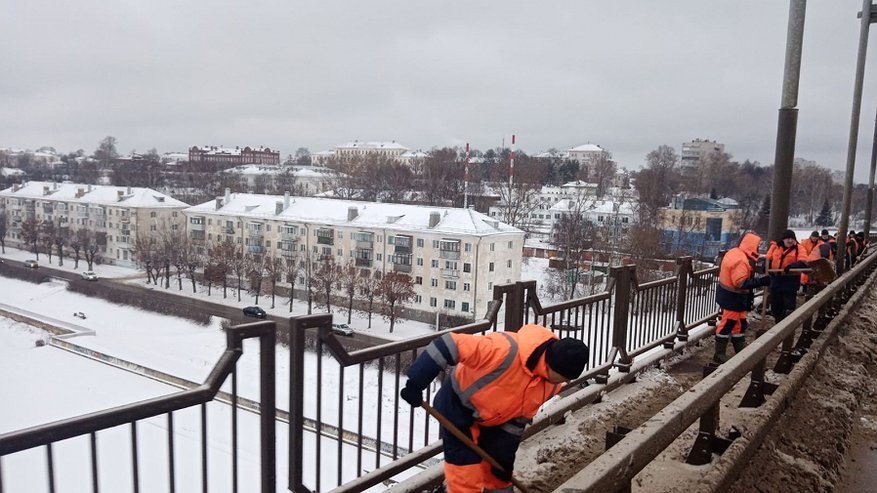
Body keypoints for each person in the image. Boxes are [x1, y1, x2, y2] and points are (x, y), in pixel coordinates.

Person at [400, 324, 588, 493]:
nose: (566, 383)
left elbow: (517, 422)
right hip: (458, 406)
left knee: (499, 476)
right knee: (466, 472)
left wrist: (504, 460)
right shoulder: (504, 349)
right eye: (564, 377)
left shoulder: (551, 385)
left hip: (497, 417)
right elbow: (448, 344)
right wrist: (416, 382)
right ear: (551, 365)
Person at [714, 232, 771, 363]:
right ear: (751, 246)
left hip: (733, 299)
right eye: (757, 247)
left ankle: (740, 350)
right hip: (733, 299)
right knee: (727, 324)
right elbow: (741, 283)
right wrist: (762, 281)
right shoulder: (740, 261)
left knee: (739, 324)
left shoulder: (735, 253)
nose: (757, 250)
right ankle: (719, 354)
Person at [766, 229, 807, 323]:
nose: (790, 241)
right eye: (788, 238)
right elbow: (768, 258)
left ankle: (787, 326)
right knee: (776, 305)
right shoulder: (775, 247)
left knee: (788, 305)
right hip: (776, 279)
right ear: (783, 239)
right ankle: (778, 323)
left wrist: (792, 266)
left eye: (792, 239)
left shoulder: (799, 248)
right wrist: (766, 265)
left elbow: (803, 261)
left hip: (790, 280)